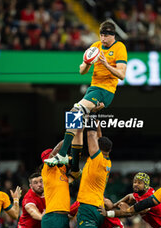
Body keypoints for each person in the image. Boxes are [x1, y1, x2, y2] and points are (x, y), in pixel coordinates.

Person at [45, 20, 127, 171]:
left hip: (106, 90)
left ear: (113, 35)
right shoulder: (95, 46)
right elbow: (82, 71)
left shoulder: (119, 48)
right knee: (79, 127)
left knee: (75, 112)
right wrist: (88, 63)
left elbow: (122, 75)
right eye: (101, 35)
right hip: (93, 88)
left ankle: (63, 154)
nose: (103, 39)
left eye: (106, 36)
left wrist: (106, 64)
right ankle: (75, 169)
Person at [76, 120, 112, 228]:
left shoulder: (96, 159)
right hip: (98, 207)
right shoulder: (107, 161)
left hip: (88, 207)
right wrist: (97, 122)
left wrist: (90, 114)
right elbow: (98, 138)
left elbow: (92, 135)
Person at [41, 141, 71, 228]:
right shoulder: (47, 169)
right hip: (53, 218)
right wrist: (69, 136)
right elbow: (57, 149)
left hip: (64, 218)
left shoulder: (61, 169)